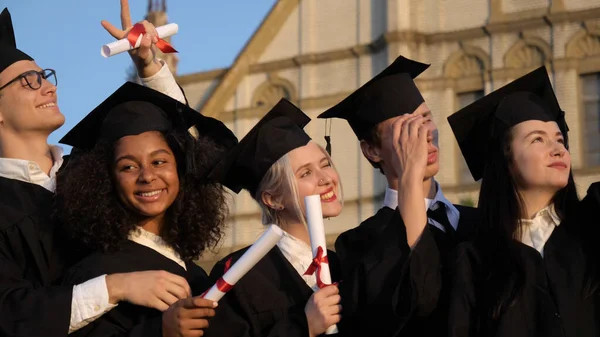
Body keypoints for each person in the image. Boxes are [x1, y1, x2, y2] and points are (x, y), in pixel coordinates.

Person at [0, 4, 196, 336]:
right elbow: (10, 313)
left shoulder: (90, 171)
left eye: (45, 76)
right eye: (28, 82)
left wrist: (147, 65)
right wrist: (115, 287)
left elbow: (175, 152)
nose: (49, 87)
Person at [54, 81, 237, 337]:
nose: (147, 176)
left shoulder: (193, 272)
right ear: (105, 181)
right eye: (128, 167)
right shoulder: (95, 273)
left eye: (159, 161)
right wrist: (160, 331)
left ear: (181, 169)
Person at [316, 55, 479, 336]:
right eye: (406, 127)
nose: (424, 133)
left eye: (426, 119)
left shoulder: (479, 221)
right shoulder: (359, 245)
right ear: (372, 151)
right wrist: (410, 180)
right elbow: (415, 307)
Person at [446, 66, 597, 337]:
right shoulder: (474, 261)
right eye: (538, 139)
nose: (558, 148)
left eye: (560, 139)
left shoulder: (591, 226)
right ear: (507, 162)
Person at [205, 98, 343, 337]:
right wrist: (303, 326)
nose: (326, 178)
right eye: (306, 173)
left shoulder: (345, 264)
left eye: (325, 164)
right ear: (273, 199)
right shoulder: (240, 276)